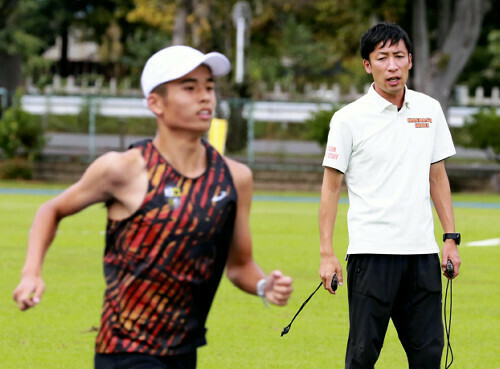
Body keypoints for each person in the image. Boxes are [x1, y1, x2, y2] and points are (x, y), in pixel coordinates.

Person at [13, 45, 293, 369]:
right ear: (155, 103)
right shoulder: (123, 169)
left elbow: (240, 266)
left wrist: (263, 286)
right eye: (189, 88)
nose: (205, 97)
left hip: (184, 351)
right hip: (124, 350)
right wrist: (31, 273)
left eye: (209, 87)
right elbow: (52, 209)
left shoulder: (235, 178)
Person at [318, 23, 461, 369]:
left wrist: (450, 239)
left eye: (399, 56)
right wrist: (327, 253)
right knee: (363, 355)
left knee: (429, 354)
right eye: (382, 57)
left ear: (410, 60)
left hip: (421, 254)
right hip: (371, 254)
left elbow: (437, 177)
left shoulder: (429, 110)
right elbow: (331, 186)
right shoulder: (347, 119)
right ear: (368, 65)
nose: (392, 65)